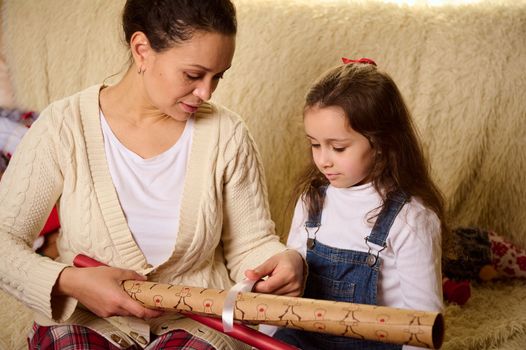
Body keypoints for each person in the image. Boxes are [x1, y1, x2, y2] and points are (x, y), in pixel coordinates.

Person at [0, 1, 305, 349]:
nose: (206, 92)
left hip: (194, 325)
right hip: (86, 319)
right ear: (142, 49)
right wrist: (71, 282)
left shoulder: (228, 134)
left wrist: (284, 260)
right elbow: (3, 239)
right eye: (193, 75)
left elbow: (250, 246)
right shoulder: (63, 126)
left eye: (218, 76)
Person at [269, 58, 447, 349]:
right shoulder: (312, 200)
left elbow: (422, 322)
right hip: (308, 337)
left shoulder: (411, 219)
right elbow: (288, 293)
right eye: (315, 144)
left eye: (338, 147)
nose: (323, 159)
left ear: (381, 144)